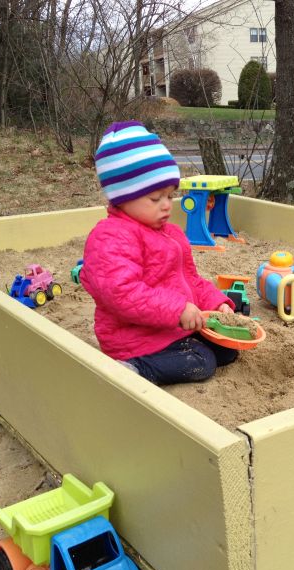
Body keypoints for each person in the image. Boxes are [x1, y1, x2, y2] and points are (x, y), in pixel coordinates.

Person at [80, 121, 238, 385]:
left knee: (227, 350)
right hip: (136, 339)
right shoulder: (111, 236)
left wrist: (216, 304)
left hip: (171, 326)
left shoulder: (170, 233)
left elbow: (191, 280)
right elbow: (123, 294)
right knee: (202, 361)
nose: (166, 205)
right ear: (122, 197)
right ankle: (133, 369)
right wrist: (177, 309)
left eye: (170, 195)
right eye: (155, 198)